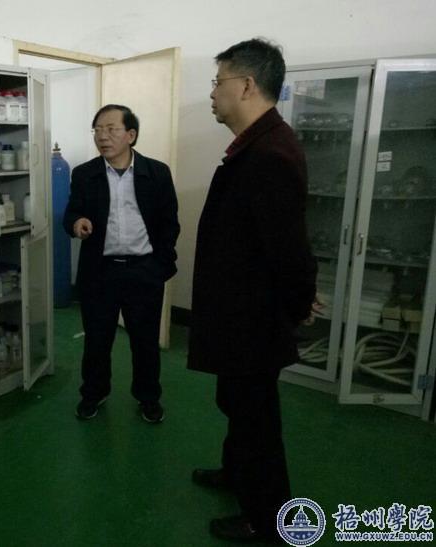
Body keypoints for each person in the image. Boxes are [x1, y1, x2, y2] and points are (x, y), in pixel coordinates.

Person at [187, 39, 318, 543]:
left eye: (217, 82)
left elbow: (289, 249)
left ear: (245, 85)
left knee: (257, 421)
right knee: (237, 404)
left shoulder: (270, 154)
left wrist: (299, 303)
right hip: (239, 314)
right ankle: (235, 473)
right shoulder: (258, 145)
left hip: (253, 321)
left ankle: (268, 519)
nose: (212, 93)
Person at [63, 104, 180, 423]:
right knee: (97, 341)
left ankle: (148, 397)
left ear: (131, 135)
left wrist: (161, 265)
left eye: (111, 129)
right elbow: (71, 213)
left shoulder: (156, 172)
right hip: (99, 272)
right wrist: (76, 223)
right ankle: (93, 393)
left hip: (144, 271)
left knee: (145, 342)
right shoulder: (84, 174)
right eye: (98, 130)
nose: (103, 136)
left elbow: (170, 223)